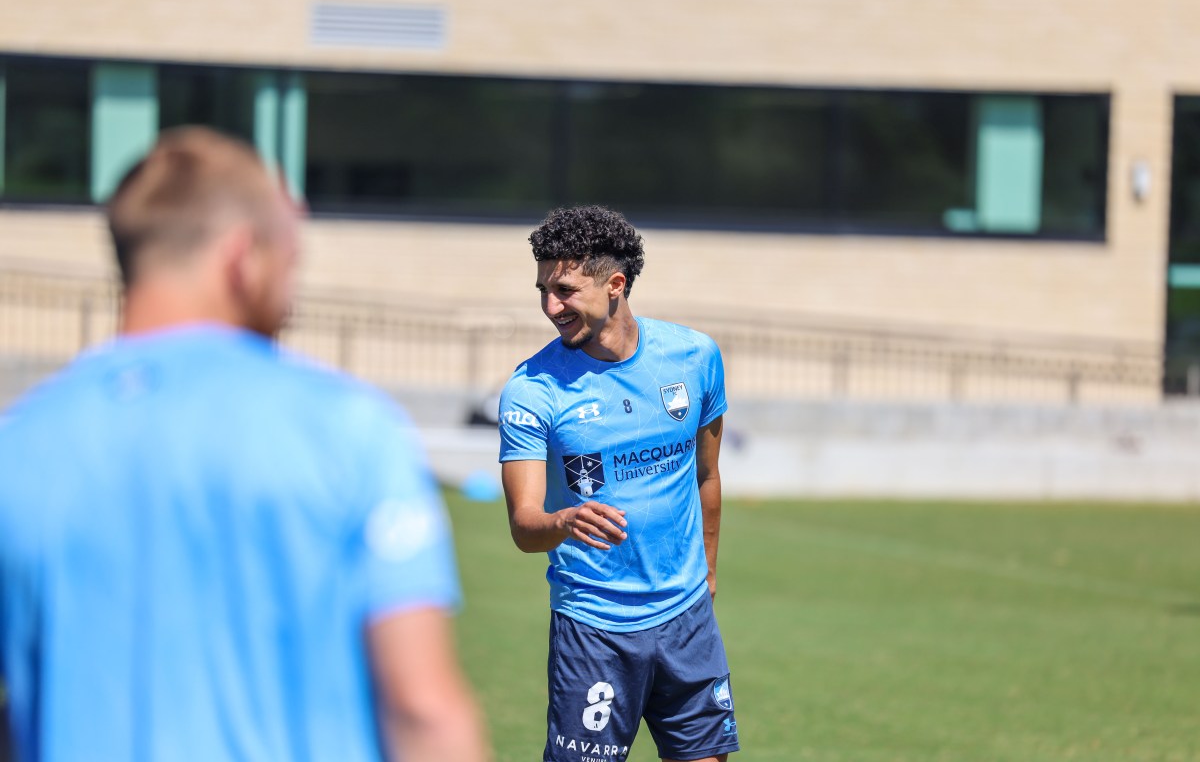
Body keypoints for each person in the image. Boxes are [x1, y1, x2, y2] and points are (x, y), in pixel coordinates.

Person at [0, 127, 489, 762]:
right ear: (242, 257)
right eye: (290, 257)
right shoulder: (345, 428)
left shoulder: (20, 442)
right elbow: (422, 709)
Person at [498, 206, 739, 762]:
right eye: (542, 289)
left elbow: (707, 473)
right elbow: (524, 527)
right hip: (594, 629)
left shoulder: (695, 357)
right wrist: (563, 521)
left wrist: (707, 572)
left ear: (615, 285)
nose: (549, 307)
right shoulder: (533, 391)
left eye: (564, 289)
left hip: (687, 620)